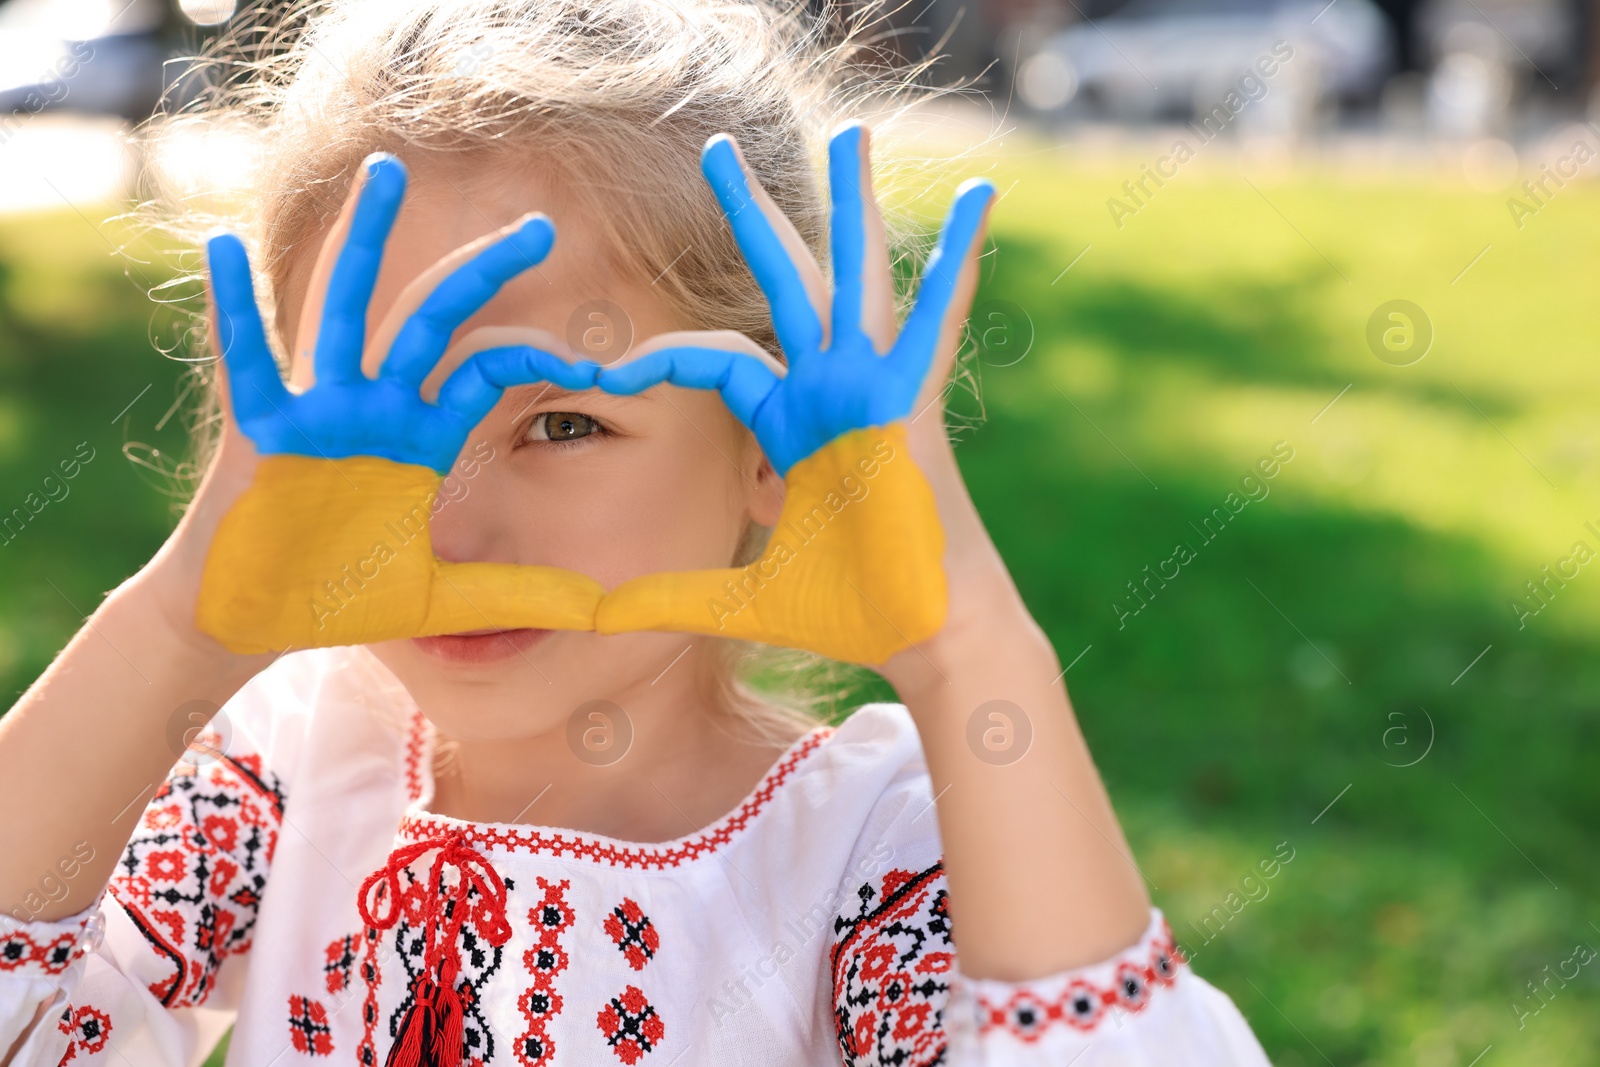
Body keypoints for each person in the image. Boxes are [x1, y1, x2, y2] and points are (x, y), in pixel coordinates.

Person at [0, 0, 1273, 1063]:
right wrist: (176, 627)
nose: (450, 524)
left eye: (561, 426)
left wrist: (967, 653)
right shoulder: (285, 768)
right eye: (384, 433)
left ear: (773, 449)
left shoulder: (865, 851)